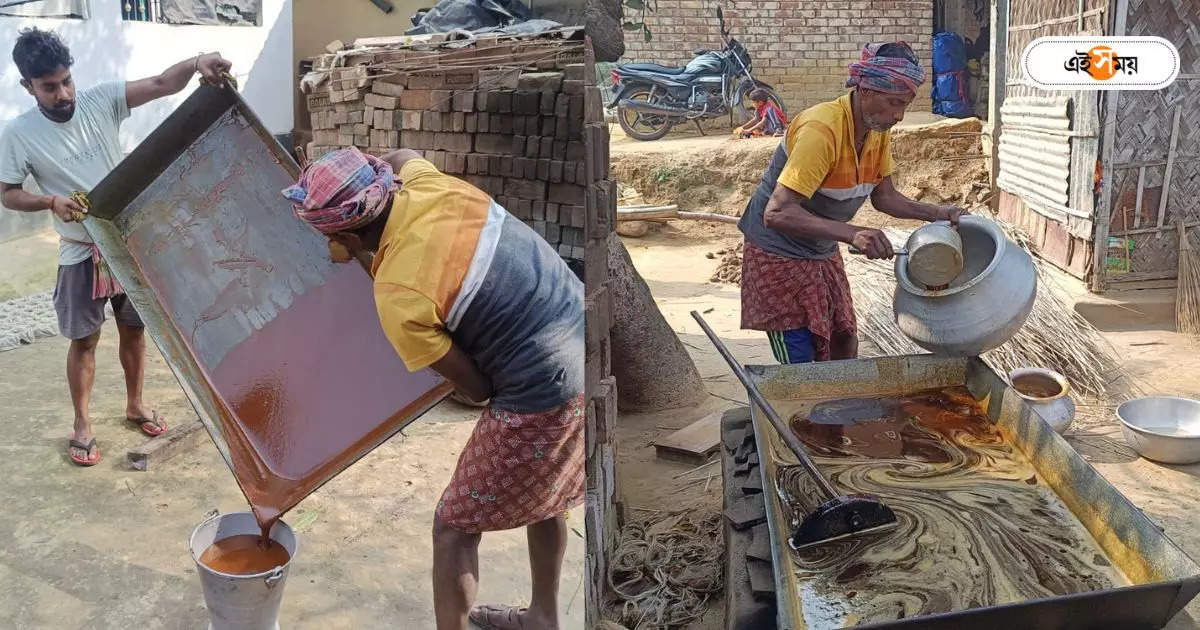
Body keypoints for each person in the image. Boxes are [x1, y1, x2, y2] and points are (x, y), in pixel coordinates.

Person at [282, 146, 583, 630]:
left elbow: (479, 390)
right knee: (549, 490)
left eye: (327, 238)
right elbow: (404, 153)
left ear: (350, 235)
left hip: (543, 387)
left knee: (454, 528)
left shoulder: (400, 295)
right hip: (583, 336)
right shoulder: (427, 185)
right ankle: (543, 617)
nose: (325, 248)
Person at [0, 28, 233, 466]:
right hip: (79, 251)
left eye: (66, 80)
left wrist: (197, 61)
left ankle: (135, 404)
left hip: (126, 243)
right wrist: (50, 201)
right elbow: (8, 193)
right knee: (84, 341)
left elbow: (164, 83)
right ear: (27, 86)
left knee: (135, 329)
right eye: (49, 87)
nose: (63, 92)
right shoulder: (18, 133)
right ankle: (82, 424)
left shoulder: (100, 100)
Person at [736, 42, 968, 364]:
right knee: (800, 360)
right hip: (778, 253)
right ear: (865, 91)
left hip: (820, 249)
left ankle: (837, 409)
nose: (899, 115)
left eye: (906, 104)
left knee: (843, 341)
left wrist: (938, 213)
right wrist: (852, 233)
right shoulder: (822, 129)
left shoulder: (877, 129)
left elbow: (884, 197)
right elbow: (776, 212)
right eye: (893, 103)